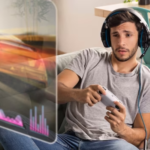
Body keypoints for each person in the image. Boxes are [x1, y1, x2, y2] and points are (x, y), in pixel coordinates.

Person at [0, 8, 150, 150]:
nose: (121, 42)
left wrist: (122, 129)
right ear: (108, 37)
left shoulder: (146, 80)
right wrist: (78, 94)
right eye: (115, 35)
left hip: (111, 144)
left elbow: (143, 135)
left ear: (141, 38)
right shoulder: (89, 57)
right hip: (66, 142)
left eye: (128, 35)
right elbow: (52, 91)